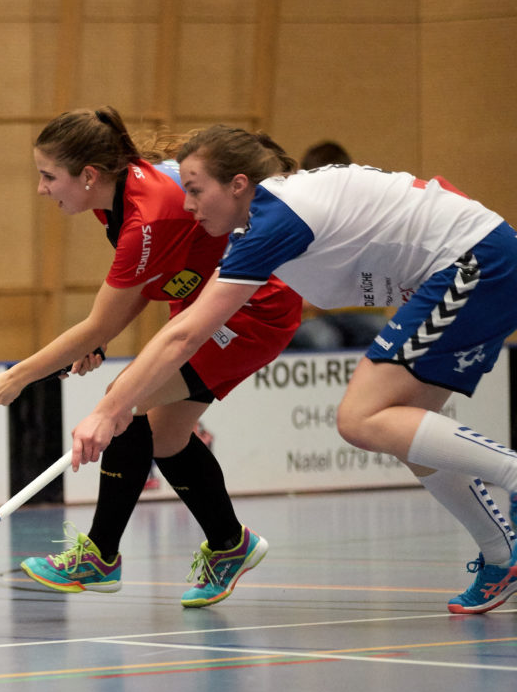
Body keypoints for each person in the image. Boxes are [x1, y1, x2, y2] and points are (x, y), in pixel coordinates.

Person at [72, 124, 517, 614]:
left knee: (360, 419)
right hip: (470, 263)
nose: (189, 204)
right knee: (403, 430)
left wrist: (110, 409)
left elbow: (185, 334)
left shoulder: (275, 218)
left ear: (238, 185)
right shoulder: (262, 223)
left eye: (196, 190)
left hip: (473, 263)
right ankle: (502, 557)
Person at [0, 107, 302, 607]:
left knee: (124, 402)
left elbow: (102, 319)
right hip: (206, 298)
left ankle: (100, 556)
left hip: (251, 308)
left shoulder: (149, 215)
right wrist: (97, 340)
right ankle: (231, 544)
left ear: (89, 175)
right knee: (165, 436)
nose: (41, 189)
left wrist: (17, 376)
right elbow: (143, 285)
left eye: (48, 176)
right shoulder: (115, 201)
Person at [287, 139, 390, 350]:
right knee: (323, 339)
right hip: (308, 318)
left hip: (350, 314)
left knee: (384, 334)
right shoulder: (294, 221)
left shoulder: (363, 219)